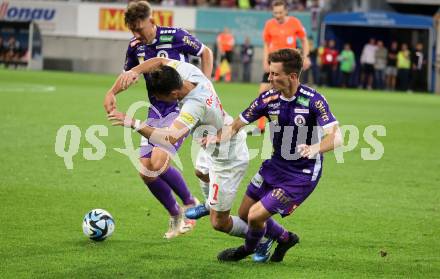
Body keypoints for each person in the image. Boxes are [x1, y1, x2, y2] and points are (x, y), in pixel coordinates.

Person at [215, 48, 342, 262]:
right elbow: (237, 124)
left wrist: (314, 149)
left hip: (301, 174)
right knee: (245, 213)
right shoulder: (269, 99)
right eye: (270, 73)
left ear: (292, 76)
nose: (269, 78)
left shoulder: (313, 100)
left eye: (275, 74)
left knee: (256, 216)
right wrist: (216, 137)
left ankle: (246, 250)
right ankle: (285, 238)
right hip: (275, 165)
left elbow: (337, 138)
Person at [108, 57, 252, 244]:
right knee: (200, 172)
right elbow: (160, 60)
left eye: (162, 98)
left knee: (219, 222)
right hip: (212, 138)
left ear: (175, 94)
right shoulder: (188, 72)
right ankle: (209, 204)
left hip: (228, 155)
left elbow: (169, 137)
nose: (160, 101)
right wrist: (134, 72)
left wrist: (133, 123)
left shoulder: (194, 106)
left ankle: (263, 237)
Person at [103, 1, 214, 239]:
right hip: (156, 111)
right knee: (146, 170)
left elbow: (206, 52)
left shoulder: (176, 36)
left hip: (181, 108)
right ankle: (175, 215)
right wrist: (112, 92)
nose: (136, 34)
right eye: (132, 30)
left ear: (151, 21)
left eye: (139, 28)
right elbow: (129, 75)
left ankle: (189, 202)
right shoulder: (135, 46)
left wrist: (205, 84)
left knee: (159, 159)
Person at [255, 0, 310, 134]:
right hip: (274, 64)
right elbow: (266, 44)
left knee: (295, 94)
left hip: (289, 65)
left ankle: (303, 122)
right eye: (275, 13)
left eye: (280, 12)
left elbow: (304, 39)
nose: (277, 15)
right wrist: (265, 61)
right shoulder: (269, 25)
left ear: (286, 11)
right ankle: (260, 126)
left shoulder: (295, 22)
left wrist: (306, 56)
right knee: (263, 92)